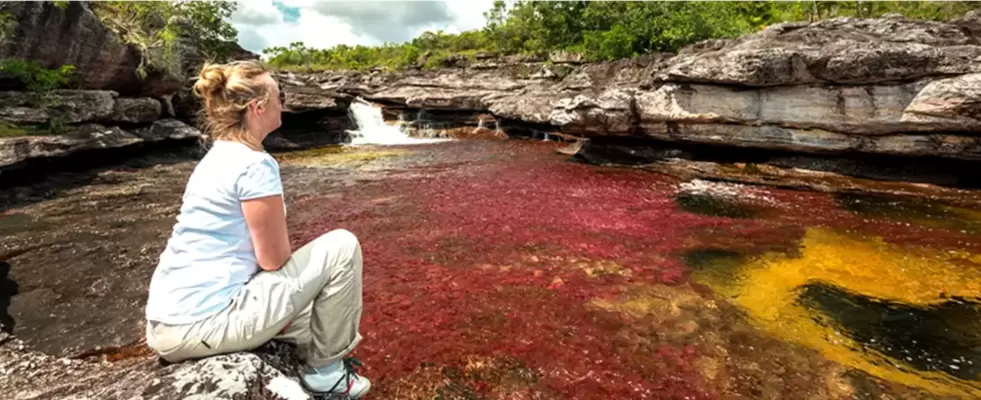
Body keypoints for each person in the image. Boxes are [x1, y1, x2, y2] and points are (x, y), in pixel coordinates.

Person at [143, 60, 370, 398]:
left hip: (167, 326)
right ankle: (327, 375)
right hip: (200, 326)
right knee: (341, 246)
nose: (284, 104)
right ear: (258, 106)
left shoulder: (218, 156)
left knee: (314, 316)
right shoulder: (254, 165)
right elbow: (273, 260)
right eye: (279, 97)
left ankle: (311, 353)